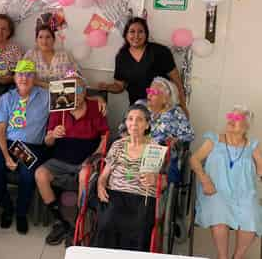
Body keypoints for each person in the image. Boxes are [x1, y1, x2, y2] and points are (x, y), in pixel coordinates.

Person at [35, 72, 109, 245]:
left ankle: (78, 224)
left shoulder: (95, 106)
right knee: (40, 174)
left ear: (86, 91)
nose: (76, 92)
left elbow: (105, 136)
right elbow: (47, 142)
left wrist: (94, 157)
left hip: (85, 160)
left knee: (84, 175)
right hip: (60, 160)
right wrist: (53, 134)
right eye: (71, 89)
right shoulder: (58, 108)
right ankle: (61, 222)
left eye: (80, 88)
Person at [190, 105, 262, 259]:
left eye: (237, 118)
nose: (231, 120)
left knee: (252, 215)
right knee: (219, 212)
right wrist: (205, 179)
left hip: (244, 193)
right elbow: (194, 159)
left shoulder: (252, 146)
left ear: (246, 126)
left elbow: (261, 170)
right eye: (230, 116)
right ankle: (222, 257)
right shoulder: (214, 140)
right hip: (216, 190)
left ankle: (237, 257)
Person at [0, 60, 49, 234]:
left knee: (28, 175)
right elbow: (0, 131)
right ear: (14, 78)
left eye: (29, 74)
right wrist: (7, 157)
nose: (24, 78)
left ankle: (21, 213)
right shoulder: (7, 98)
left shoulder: (45, 96)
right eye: (20, 74)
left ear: (35, 78)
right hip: (8, 144)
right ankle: (7, 208)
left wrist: (96, 97)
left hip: (32, 146)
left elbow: (70, 94)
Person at [95, 104, 161, 251]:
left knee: (138, 228)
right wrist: (100, 186)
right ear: (126, 123)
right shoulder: (118, 145)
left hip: (141, 196)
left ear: (147, 124)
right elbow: (104, 175)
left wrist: (155, 180)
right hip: (116, 193)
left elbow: (162, 183)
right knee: (107, 223)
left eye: (139, 120)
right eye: (130, 119)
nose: (134, 123)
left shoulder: (155, 149)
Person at [98, 17, 188, 116]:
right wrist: (107, 87)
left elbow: (177, 81)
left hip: (162, 109)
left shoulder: (160, 51)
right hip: (138, 110)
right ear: (126, 35)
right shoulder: (121, 57)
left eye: (140, 31)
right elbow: (119, 86)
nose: (136, 35)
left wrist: (183, 106)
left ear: (146, 34)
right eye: (132, 31)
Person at [118, 77, 194, 145]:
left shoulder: (176, 113)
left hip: (160, 155)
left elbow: (188, 136)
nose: (149, 95)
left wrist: (175, 141)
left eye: (154, 93)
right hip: (135, 149)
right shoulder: (140, 104)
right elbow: (123, 128)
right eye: (149, 91)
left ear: (165, 98)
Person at [24, 25, 77, 89]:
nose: (44, 41)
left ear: (53, 39)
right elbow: (23, 77)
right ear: (36, 40)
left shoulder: (64, 56)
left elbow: (74, 77)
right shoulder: (30, 55)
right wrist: (47, 85)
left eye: (48, 37)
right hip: (37, 95)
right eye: (40, 37)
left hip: (61, 95)